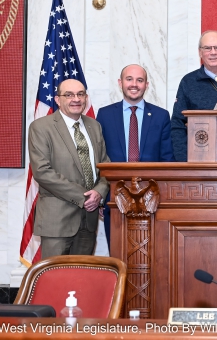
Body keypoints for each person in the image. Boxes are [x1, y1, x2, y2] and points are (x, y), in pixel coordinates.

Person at [28, 79, 110, 259]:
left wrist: (99, 192)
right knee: (54, 278)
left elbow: (105, 167)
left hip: (88, 220)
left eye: (80, 94)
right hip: (57, 220)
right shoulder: (41, 128)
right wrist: (85, 197)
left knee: (81, 277)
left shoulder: (94, 126)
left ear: (86, 98)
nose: (76, 99)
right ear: (57, 99)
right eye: (69, 95)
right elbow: (42, 171)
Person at [96, 64, 174, 247]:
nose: (134, 84)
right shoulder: (105, 115)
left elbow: (167, 159)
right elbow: (98, 159)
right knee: (117, 252)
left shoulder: (160, 116)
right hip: (114, 198)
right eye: (129, 79)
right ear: (120, 83)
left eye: (140, 80)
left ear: (147, 85)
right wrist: (100, 198)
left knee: (152, 254)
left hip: (151, 198)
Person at [171, 30, 217, 161]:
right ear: (200, 52)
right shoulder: (188, 82)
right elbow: (177, 124)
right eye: (207, 48)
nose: (213, 52)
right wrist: (183, 161)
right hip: (201, 159)